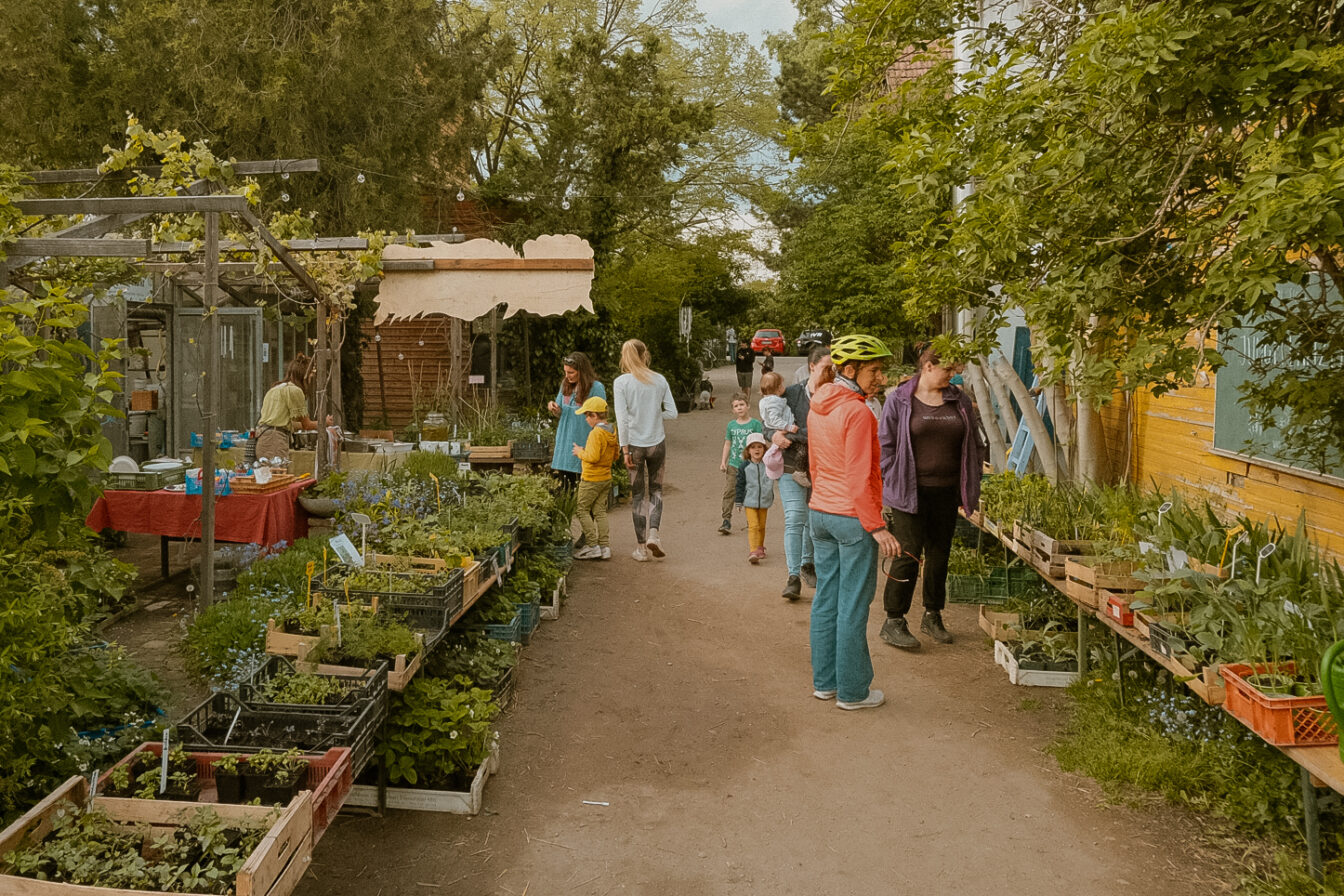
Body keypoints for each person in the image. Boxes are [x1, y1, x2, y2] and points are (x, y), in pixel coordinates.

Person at [806, 334, 899, 711]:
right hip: (851, 518)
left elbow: (816, 465)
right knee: (853, 605)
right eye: (874, 370)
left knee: (826, 599)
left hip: (820, 513)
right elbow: (860, 476)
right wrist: (877, 526)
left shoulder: (818, 405)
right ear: (849, 369)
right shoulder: (859, 412)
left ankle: (825, 684)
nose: (881, 378)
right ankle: (853, 692)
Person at [876, 344, 986, 649]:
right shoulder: (899, 399)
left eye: (953, 370)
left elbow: (975, 441)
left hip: (947, 491)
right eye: (947, 369)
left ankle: (932, 614)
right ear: (927, 367)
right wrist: (891, 476)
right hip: (909, 490)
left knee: (940, 555)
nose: (951, 376)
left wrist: (971, 476)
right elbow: (884, 443)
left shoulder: (958, 399)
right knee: (909, 552)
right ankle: (894, 619)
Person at [772, 345, 831, 600]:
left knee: (813, 519)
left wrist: (798, 435)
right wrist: (772, 434)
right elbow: (768, 420)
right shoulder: (793, 394)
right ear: (812, 367)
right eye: (827, 367)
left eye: (835, 368)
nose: (832, 372)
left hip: (824, 467)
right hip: (791, 465)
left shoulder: (837, 395)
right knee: (796, 516)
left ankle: (809, 564)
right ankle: (793, 576)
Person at [613, 339, 678, 561]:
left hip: (634, 446)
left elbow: (621, 419)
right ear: (645, 354)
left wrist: (624, 450)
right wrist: (654, 415)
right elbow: (672, 412)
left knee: (638, 495)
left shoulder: (621, 383)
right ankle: (654, 534)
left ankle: (640, 548)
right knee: (656, 490)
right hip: (657, 442)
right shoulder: (659, 380)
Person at [547, 352, 606, 490]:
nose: (567, 376)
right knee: (566, 487)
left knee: (583, 488)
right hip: (565, 442)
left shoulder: (596, 387)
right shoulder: (565, 385)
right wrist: (554, 408)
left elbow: (601, 416)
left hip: (584, 440)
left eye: (571, 372)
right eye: (565, 372)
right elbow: (560, 410)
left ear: (582, 371)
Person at [571, 397, 619, 561]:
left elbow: (592, 457)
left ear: (594, 415)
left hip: (591, 478)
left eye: (586, 415)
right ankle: (604, 546)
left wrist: (579, 452)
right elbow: (615, 455)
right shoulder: (611, 430)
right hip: (605, 477)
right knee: (599, 511)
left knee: (582, 509)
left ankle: (592, 546)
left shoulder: (595, 433)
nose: (585, 419)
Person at [254, 355, 318, 463]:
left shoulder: (275, 389)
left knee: (268, 476)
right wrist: (325, 423)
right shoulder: (294, 391)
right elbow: (307, 425)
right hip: (275, 440)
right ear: (304, 376)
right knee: (278, 476)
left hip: (263, 437)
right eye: (311, 377)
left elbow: (285, 423)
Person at [720, 392, 762, 535]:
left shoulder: (755, 424)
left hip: (750, 465)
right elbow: (727, 443)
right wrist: (723, 462)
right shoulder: (731, 425)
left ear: (748, 406)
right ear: (733, 410)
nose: (739, 408)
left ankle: (752, 520)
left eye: (742, 405)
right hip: (733, 464)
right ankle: (726, 520)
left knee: (751, 492)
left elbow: (760, 444)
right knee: (729, 492)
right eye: (736, 406)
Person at [734, 432, 776, 564]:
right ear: (748, 450)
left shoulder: (768, 464)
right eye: (753, 447)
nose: (757, 450)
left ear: (764, 449)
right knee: (754, 525)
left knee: (762, 526)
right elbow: (740, 484)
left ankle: (760, 547)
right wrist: (739, 501)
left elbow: (776, 473)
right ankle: (753, 551)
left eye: (760, 447)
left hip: (764, 500)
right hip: (749, 501)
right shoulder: (744, 466)